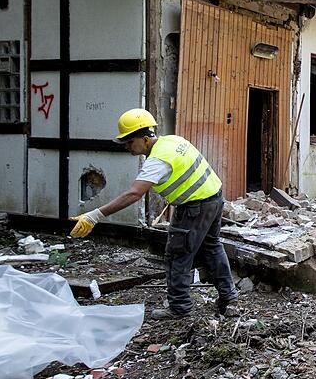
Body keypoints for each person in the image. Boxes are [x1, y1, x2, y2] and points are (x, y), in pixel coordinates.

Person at [70, 108, 239, 320]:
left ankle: (179, 307)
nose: (126, 147)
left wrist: (94, 215)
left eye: (129, 142)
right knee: (212, 248)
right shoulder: (172, 141)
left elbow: (134, 193)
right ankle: (229, 298)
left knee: (177, 255)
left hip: (193, 207)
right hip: (214, 198)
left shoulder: (157, 160)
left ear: (144, 138)